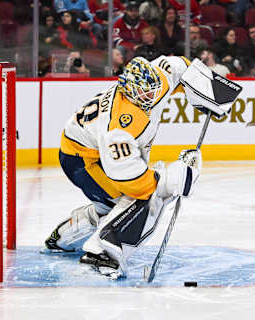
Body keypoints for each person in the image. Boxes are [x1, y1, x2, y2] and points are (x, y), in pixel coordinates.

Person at [42, 55, 201, 280]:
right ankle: (101, 254)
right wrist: (167, 180)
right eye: (146, 93)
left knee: (113, 207)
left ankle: (62, 237)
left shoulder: (150, 82)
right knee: (142, 200)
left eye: (154, 90)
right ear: (130, 91)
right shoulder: (119, 125)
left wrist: (207, 86)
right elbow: (131, 181)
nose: (153, 96)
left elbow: (178, 66)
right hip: (83, 160)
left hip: (91, 150)